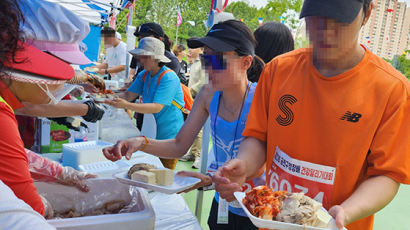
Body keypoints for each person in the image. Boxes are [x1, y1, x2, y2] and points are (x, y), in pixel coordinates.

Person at [213, 1, 410, 230]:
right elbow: (258, 137)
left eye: (338, 20)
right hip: (274, 220)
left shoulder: (392, 90)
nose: (324, 30)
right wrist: (244, 165)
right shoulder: (278, 70)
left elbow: (387, 175)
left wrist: (346, 211)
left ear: (366, 14)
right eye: (316, 18)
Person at [102, 20, 265, 230]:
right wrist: (139, 142)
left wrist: (213, 178)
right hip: (221, 204)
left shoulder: (261, 97)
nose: (209, 68)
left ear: (246, 62)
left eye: (218, 60)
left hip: (257, 208)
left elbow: (267, 159)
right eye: (206, 59)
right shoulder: (208, 94)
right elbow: (180, 144)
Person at [104, 37, 184, 170]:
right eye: (140, 57)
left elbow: (156, 107)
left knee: (164, 176)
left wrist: (126, 105)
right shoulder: (144, 75)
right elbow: (128, 95)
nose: (141, 61)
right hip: (149, 134)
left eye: (145, 57)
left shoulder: (169, 77)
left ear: (156, 58)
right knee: (147, 172)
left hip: (168, 137)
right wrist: (105, 96)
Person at [180, 46, 206, 168]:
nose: (189, 50)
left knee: (199, 129)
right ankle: (193, 152)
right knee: (193, 127)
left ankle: (199, 156)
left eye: (192, 48)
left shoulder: (205, 61)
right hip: (192, 98)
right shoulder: (194, 62)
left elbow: (203, 81)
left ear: (200, 49)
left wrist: (189, 91)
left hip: (199, 97)